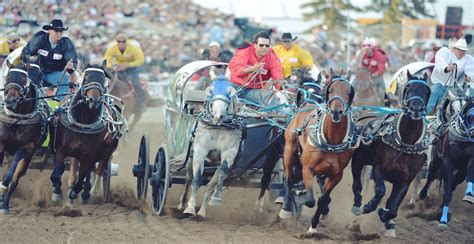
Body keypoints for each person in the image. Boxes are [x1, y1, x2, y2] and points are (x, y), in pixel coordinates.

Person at [21, 19, 78, 99]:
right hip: (35, 72)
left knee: (66, 78)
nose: (58, 34)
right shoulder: (40, 38)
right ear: (49, 31)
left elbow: (72, 59)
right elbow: (26, 52)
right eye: (56, 31)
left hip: (53, 74)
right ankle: (27, 100)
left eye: (61, 32)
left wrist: (70, 66)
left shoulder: (66, 43)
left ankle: (57, 106)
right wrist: (30, 58)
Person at [228, 31, 284, 106]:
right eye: (261, 45)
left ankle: (270, 116)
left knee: (270, 98)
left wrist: (280, 86)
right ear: (254, 45)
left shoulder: (272, 58)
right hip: (235, 86)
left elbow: (277, 75)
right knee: (220, 94)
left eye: (267, 46)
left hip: (253, 91)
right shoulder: (244, 53)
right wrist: (252, 69)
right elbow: (237, 70)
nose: (264, 48)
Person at [427, 38, 474, 115]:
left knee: (467, 101)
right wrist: (447, 67)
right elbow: (440, 64)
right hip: (441, 84)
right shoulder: (445, 52)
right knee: (433, 96)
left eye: (463, 50)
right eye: (459, 49)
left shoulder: (468, 59)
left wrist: (468, 77)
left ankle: (467, 120)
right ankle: (424, 117)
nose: (461, 52)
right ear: (454, 49)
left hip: (457, 88)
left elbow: (471, 71)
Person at [104, 32, 146, 112]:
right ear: (116, 41)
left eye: (123, 41)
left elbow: (141, 60)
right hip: (117, 68)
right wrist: (112, 66)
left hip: (131, 68)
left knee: (136, 83)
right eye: (119, 41)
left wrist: (128, 65)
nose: (121, 43)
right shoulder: (112, 48)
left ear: (127, 41)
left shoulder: (134, 48)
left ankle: (141, 104)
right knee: (108, 81)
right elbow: (107, 60)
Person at [351, 37, 387, 102]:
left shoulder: (379, 55)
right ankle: (349, 102)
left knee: (382, 90)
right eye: (364, 47)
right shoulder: (361, 54)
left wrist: (373, 75)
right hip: (363, 76)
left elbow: (381, 69)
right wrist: (360, 55)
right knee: (352, 86)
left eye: (368, 48)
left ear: (372, 48)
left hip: (376, 77)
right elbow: (354, 64)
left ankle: (387, 103)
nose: (366, 50)